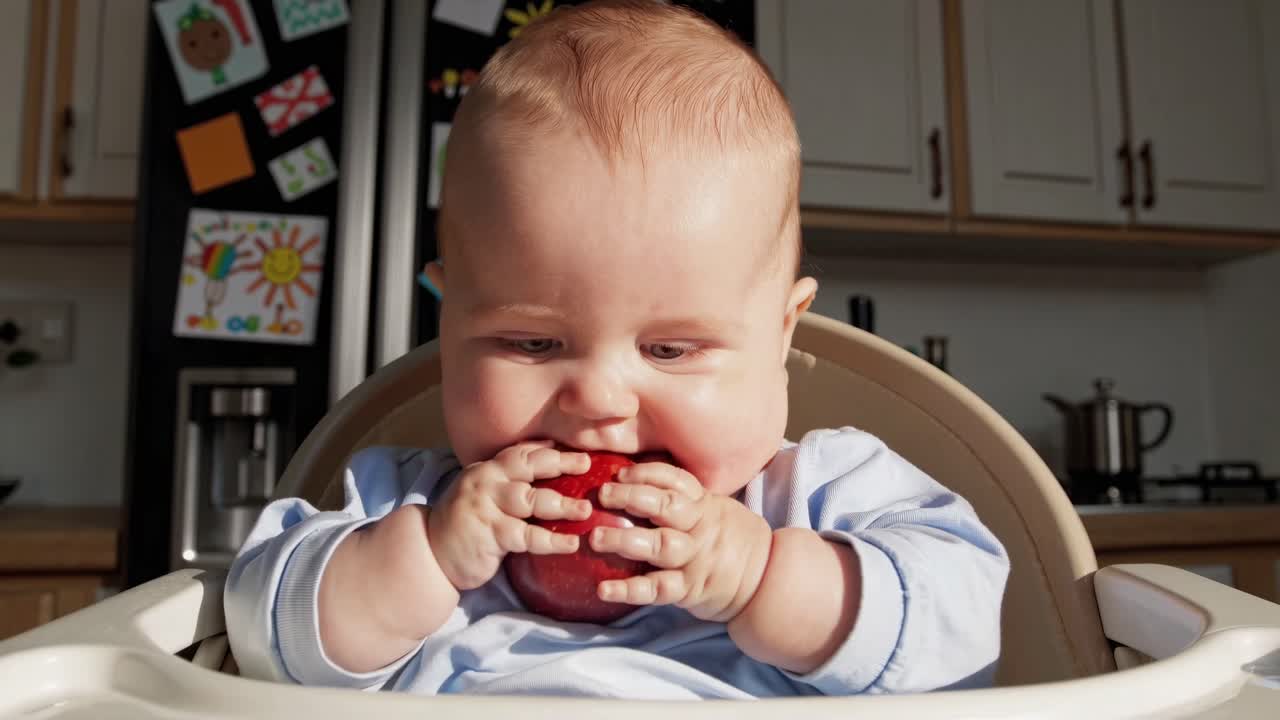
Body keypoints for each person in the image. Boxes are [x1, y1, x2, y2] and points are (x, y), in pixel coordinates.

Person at [225, 0, 1009, 699]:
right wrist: (424, 560)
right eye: (533, 341)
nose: (598, 398)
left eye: (669, 350)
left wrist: (763, 577)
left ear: (782, 334)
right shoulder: (405, 505)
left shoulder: (825, 498)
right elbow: (259, 637)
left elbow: (967, 631)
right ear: (449, 323)